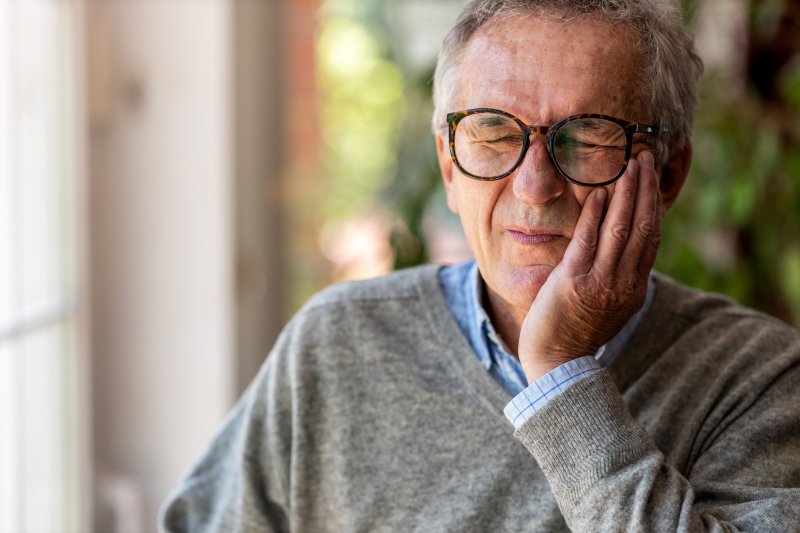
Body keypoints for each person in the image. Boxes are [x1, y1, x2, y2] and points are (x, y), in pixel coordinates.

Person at [160, 0, 800, 531]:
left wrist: (561, 375)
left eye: (586, 136)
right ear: (447, 165)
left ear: (668, 176)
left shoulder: (760, 380)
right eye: (494, 133)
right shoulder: (337, 346)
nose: (533, 186)